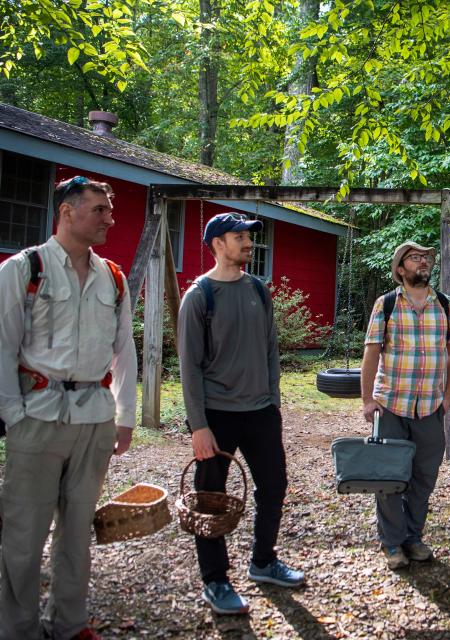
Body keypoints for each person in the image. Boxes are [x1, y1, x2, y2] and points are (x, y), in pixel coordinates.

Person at [0, 176, 137, 640]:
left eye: (109, 210)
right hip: (36, 420)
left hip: (94, 421)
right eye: (99, 209)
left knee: (77, 532)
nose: (109, 219)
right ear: (67, 211)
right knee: (24, 535)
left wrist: (125, 417)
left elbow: (125, 352)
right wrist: (14, 416)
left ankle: (68, 625)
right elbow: (1, 348)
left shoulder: (114, 277)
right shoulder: (24, 269)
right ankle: (17, 629)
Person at [178, 211, 304, 616]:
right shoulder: (199, 296)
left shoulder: (258, 290)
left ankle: (263, 561)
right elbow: (189, 368)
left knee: (274, 486)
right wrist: (198, 425)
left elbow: (270, 350)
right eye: (240, 237)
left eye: (249, 236)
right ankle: (215, 581)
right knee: (209, 500)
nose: (249, 243)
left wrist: (273, 402)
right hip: (216, 415)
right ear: (218, 244)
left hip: (261, 412)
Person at [360, 241, 450, 570]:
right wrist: (367, 399)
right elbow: (372, 352)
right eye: (415, 258)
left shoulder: (445, 305)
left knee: (424, 476)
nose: (423, 262)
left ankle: (413, 537)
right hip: (391, 403)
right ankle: (391, 543)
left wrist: (447, 397)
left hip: (430, 407)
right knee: (389, 476)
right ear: (400, 269)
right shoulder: (386, 304)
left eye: (426, 258)